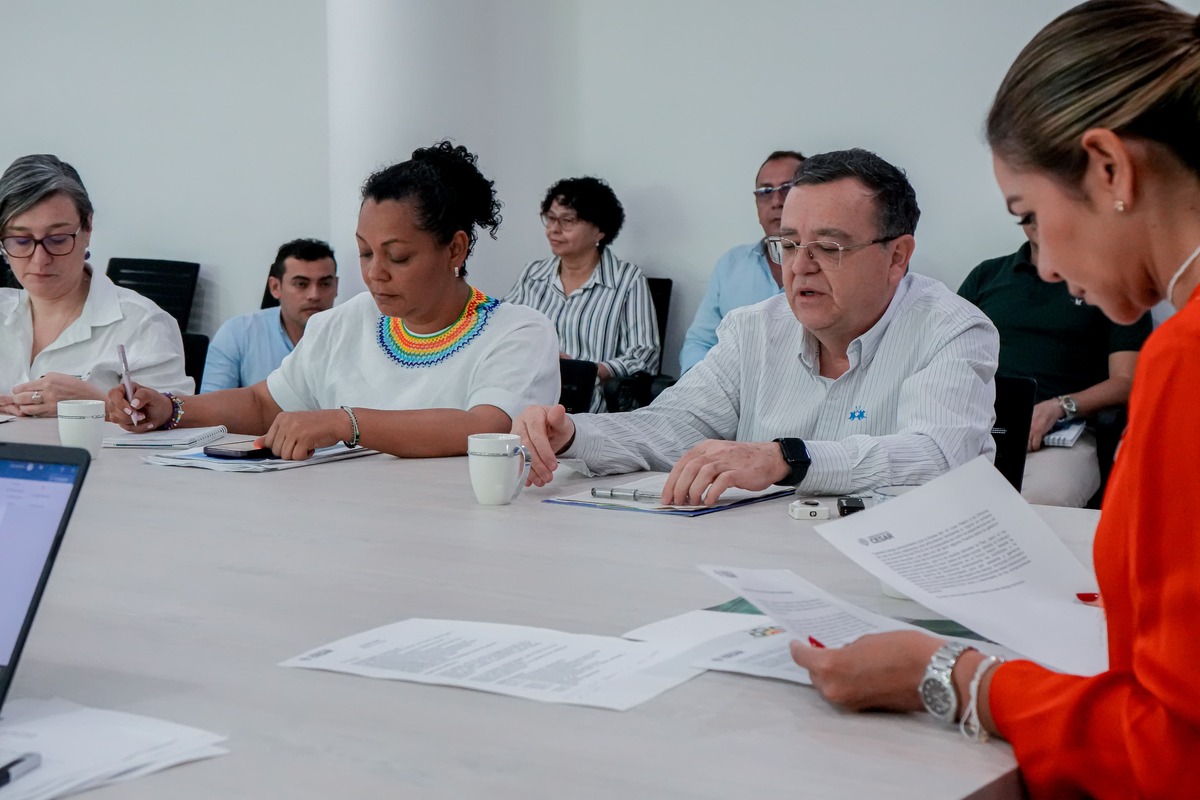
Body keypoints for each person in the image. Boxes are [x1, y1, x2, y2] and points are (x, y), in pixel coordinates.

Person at [790, 2, 1200, 797]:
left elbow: (1174, 752)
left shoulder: (1183, 359)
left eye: (1032, 218)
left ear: (1110, 169)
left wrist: (953, 673)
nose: (1042, 266)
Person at [513, 148, 999, 506]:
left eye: (828, 248)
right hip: (762, 560)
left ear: (897, 256)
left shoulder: (950, 329)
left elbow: (937, 456)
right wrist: (574, 434)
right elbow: (673, 426)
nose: (800, 267)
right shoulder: (754, 329)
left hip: (896, 574)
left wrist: (786, 458)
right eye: (788, 245)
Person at [108, 141, 560, 459]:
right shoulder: (346, 322)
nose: (374, 272)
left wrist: (346, 423)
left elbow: (487, 426)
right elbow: (265, 405)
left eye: (398, 257)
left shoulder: (516, 331)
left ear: (455, 250)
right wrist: (171, 409)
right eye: (364, 252)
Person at [959, 217, 1151, 506]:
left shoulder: (1113, 281)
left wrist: (1059, 407)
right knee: (934, 498)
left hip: (1060, 437)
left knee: (1038, 507)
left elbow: (1127, 382)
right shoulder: (988, 275)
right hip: (976, 429)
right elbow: (943, 356)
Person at [0, 154, 190, 417]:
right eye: (21, 241)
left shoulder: (142, 323)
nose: (39, 259)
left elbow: (175, 430)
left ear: (87, 228)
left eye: (57, 239)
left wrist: (98, 405)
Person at [505, 177, 659, 412]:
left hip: (588, 400)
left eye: (567, 221)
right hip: (528, 389)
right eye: (550, 218)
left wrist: (592, 370)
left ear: (599, 230)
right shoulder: (532, 274)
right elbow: (505, 330)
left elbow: (645, 354)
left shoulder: (626, 280)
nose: (553, 230)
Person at [679, 150, 805, 373]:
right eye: (766, 191)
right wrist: (703, 391)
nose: (776, 201)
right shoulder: (731, 265)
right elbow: (699, 343)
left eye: (787, 188)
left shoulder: (833, 263)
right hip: (733, 397)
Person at [200, 238, 338, 392]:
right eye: (301, 284)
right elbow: (213, 403)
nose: (314, 295)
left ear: (336, 286)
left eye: (325, 284)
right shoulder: (238, 333)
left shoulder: (354, 334)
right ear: (275, 287)